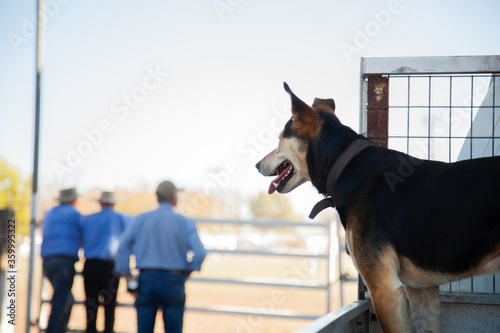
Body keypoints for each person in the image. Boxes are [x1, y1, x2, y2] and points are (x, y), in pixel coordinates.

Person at [115, 180, 207, 333]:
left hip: (146, 279)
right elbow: (200, 253)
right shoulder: (184, 221)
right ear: (173, 197)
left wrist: (129, 277)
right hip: (174, 279)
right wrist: (187, 272)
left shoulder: (140, 219)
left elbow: (122, 248)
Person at [82, 191, 128, 333]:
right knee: (109, 307)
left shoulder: (88, 219)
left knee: (91, 306)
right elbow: (127, 241)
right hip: (110, 267)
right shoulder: (120, 218)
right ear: (113, 203)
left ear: (100, 203)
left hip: (90, 265)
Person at [40, 187, 82, 333]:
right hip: (64, 261)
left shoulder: (50, 213)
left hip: (47, 261)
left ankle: (59, 329)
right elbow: (83, 236)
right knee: (60, 301)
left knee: (65, 299)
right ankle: (54, 330)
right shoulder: (75, 214)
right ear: (74, 199)